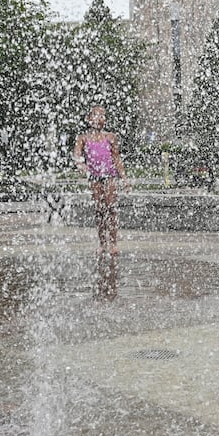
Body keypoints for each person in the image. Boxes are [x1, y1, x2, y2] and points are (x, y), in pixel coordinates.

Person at [73, 106, 126, 299]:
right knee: (99, 209)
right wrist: (81, 165)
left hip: (109, 176)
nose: (99, 118)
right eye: (96, 115)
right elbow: (77, 155)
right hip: (94, 177)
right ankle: (102, 242)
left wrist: (124, 177)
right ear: (89, 119)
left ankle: (113, 243)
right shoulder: (83, 138)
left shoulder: (110, 137)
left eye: (103, 115)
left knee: (111, 208)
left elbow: (116, 158)